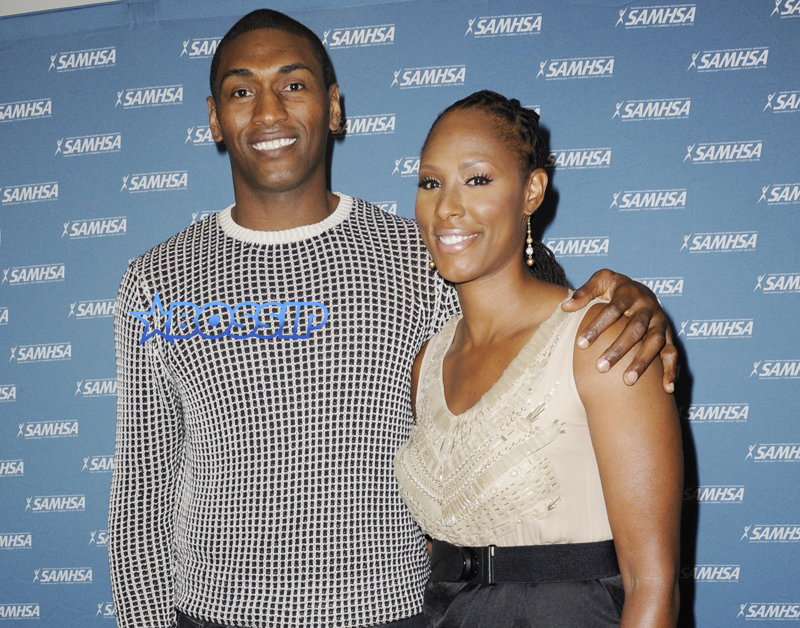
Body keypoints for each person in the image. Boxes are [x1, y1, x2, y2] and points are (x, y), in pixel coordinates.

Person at [108, 11, 677, 628]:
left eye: (293, 85)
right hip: (216, 615)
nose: (268, 111)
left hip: (399, 614)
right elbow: (143, 491)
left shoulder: (425, 253)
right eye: (241, 91)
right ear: (215, 118)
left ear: (333, 108)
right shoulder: (156, 281)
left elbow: (545, 337)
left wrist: (632, 299)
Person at [395, 90, 683, 628]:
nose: (447, 206)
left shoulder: (602, 337)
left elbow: (653, 585)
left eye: (477, 179)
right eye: (430, 182)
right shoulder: (429, 360)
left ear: (531, 191)